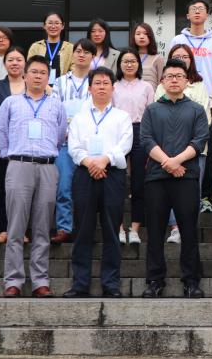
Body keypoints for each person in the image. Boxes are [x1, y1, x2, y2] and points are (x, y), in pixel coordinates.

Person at [0, 55, 67, 298]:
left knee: (42, 227)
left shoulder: (56, 105)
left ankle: (40, 281)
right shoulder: (10, 103)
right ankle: (13, 280)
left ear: (48, 78)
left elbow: (60, 135)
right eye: (34, 72)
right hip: (19, 165)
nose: (38, 76)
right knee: (16, 226)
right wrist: (11, 155)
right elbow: (1, 133)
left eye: (42, 73)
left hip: (47, 166)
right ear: (24, 75)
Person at [139, 59, 211, 299]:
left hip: (186, 178)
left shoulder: (196, 110)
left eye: (179, 76)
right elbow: (146, 140)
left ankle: (191, 281)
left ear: (187, 80)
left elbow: (200, 140)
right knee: (155, 232)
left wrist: (176, 161)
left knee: (188, 230)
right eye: (169, 76)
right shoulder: (152, 110)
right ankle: (155, 280)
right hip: (156, 179)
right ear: (162, 81)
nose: (174, 80)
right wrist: (168, 163)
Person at [63, 67, 133, 298]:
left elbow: (125, 144)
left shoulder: (122, 117)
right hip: (85, 174)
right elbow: (73, 147)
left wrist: (104, 160)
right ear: (90, 88)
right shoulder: (80, 118)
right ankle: (80, 284)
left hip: (112, 175)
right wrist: (90, 163)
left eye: (106, 83)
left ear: (113, 88)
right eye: (97, 83)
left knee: (112, 230)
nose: (102, 87)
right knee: (83, 229)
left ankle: (111, 284)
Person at [156, 43, 212, 229]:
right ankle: (174, 228)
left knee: (192, 190)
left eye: (185, 56)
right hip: (167, 149)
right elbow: (157, 117)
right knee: (169, 189)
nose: (181, 60)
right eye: (177, 57)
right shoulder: (161, 86)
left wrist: (186, 148)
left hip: (195, 149)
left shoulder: (200, 86)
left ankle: (188, 227)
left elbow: (205, 119)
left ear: (191, 60)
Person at [50, 39, 97, 244]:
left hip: (89, 144)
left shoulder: (96, 81)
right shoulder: (60, 82)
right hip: (64, 142)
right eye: (78, 51)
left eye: (86, 52)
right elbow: (54, 110)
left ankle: (86, 228)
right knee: (63, 187)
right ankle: (64, 227)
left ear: (93, 56)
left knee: (88, 188)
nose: (81, 55)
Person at [0, 46, 27, 244]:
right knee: (0, 187)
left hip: (27, 145)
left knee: (24, 190)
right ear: (4, 63)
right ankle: (3, 229)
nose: (15, 63)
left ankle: (22, 230)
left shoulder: (32, 85)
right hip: (1, 145)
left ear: (25, 62)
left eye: (19, 59)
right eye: (11, 60)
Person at [112, 49, 155, 245]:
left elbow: (151, 114)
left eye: (133, 61)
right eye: (125, 61)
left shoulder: (146, 87)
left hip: (140, 131)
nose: (129, 64)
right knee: (117, 181)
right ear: (119, 64)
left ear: (138, 64)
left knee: (139, 182)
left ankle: (135, 228)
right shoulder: (113, 86)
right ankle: (119, 227)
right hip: (118, 131)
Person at [172, 0, 212, 88]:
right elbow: (171, 67)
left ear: (207, 15)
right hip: (182, 90)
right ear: (188, 15)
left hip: (209, 90)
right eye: (193, 9)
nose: (197, 12)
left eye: (201, 9)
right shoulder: (177, 40)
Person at [27, 11, 72, 87]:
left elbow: (74, 71)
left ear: (62, 26)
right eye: (50, 23)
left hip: (63, 88)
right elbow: (29, 69)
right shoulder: (36, 47)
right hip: (39, 88)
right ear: (44, 26)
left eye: (57, 23)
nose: (53, 26)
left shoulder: (70, 48)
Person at [131, 22, 165, 90]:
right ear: (133, 37)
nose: (141, 37)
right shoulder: (129, 58)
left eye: (146, 34)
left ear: (150, 37)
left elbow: (161, 84)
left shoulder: (158, 59)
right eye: (138, 34)